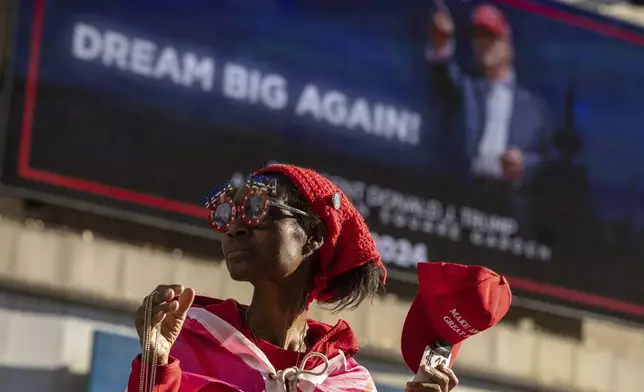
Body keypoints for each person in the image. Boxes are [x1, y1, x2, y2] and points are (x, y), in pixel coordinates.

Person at [127, 164, 459, 392]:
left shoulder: (348, 382)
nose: (235, 228)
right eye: (229, 213)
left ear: (313, 236)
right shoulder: (185, 341)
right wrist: (154, 363)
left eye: (258, 209)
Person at [427, 1, 553, 225]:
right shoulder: (467, 90)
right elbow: (445, 79)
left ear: (509, 46)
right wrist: (442, 44)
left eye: (491, 37)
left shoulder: (534, 108)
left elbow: (548, 161)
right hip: (467, 196)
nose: (483, 44)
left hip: (509, 205)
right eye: (478, 38)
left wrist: (523, 165)